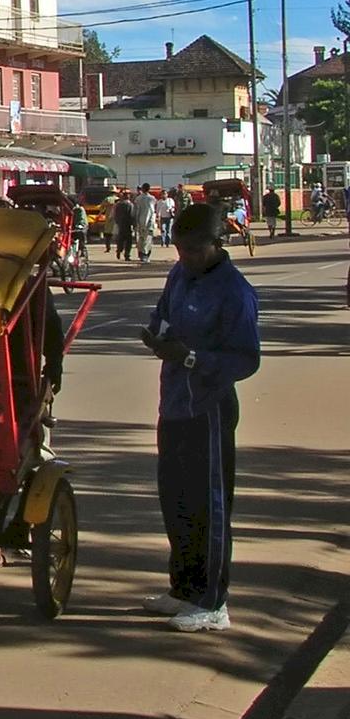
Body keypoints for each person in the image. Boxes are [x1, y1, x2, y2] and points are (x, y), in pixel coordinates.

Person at [138, 203, 260, 633]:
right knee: (176, 499)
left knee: (209, 505)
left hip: (208, 408)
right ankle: (184, 588)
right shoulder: (179, 276)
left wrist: (191, 358)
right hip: (173, 403)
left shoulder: (234, 291)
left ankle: (212, 601)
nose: (184, 257)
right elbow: (163, 313)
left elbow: (246, 359)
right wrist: (157, 336)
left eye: (192, 250)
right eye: (179, 250)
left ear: (216, 244)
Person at [134, 183, 158, 264]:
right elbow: (151, 211)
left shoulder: (138, 199)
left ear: (143, 189)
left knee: (141, 238)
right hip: (149, 223)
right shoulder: (152, 199)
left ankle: (141, 254)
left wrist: (136, 222)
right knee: (147, 239)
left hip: (141, 222)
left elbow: (136, 212)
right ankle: (145, 255)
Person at [113, 192, 136, 261]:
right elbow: (132, 215)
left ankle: (119, 250)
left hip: (120, 224)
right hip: (128, 225)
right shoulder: (130, 205)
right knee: (128, 241)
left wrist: (117, 222)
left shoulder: (118, 205)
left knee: (121, 239)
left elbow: (115, 214)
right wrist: (134, 224)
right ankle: (127, 255)